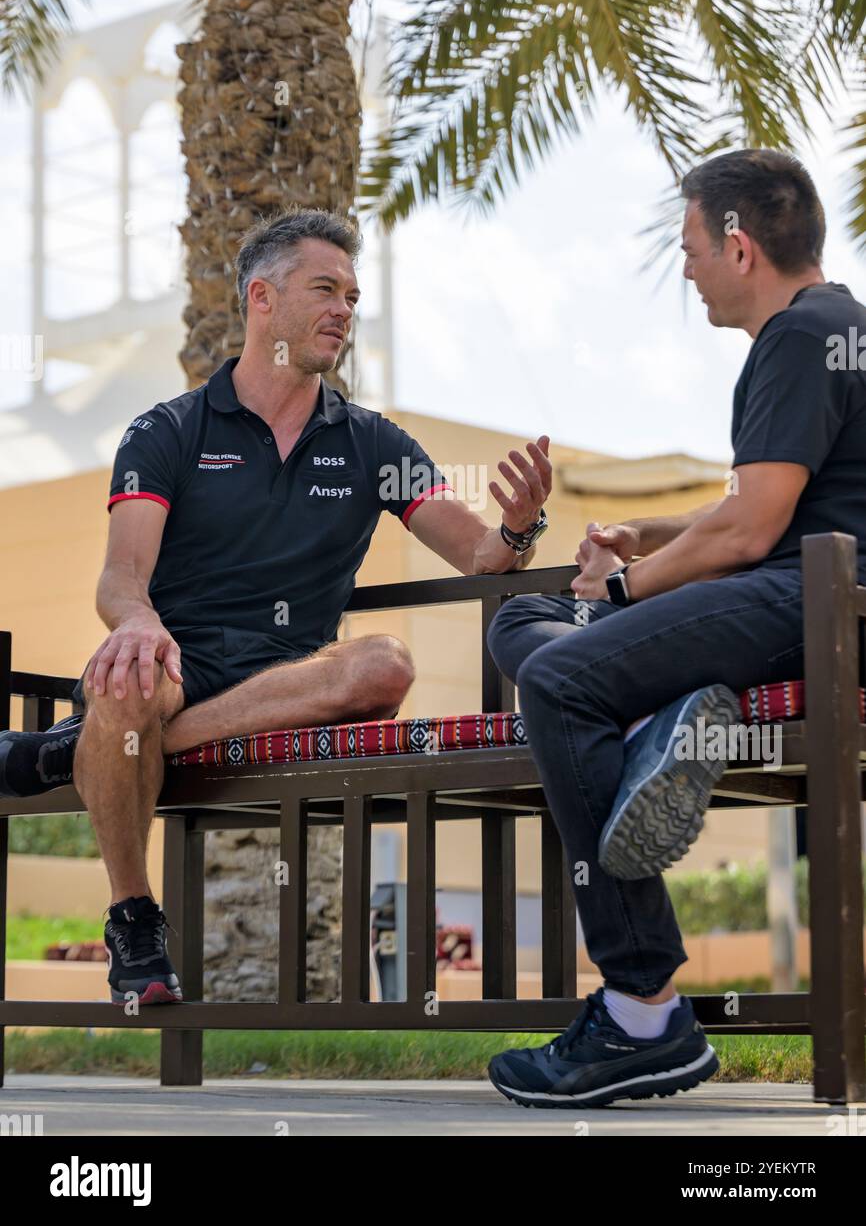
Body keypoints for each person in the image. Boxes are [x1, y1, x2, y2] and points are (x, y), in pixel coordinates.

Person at [0, 209, 552, 1007]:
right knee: (126, 681)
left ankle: (79, 751)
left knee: (384, 662)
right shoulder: (168, 431)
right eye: (325, 289)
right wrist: (141, 622)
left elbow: (479, 557)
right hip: (180, 664)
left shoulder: (374, 445)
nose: (344, 310)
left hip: (296, 680)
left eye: (353, 297)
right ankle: (133, 918)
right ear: (262, 298)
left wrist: (519, 523)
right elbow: (120, 578)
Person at [486, 148, 866, 1109]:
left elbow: (753, 528)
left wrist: (623, 594)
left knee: (560, 680)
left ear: (738, 246)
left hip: (805, 607)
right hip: (802, 596)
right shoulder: (836, 331)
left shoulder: (801, 333)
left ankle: (642, 1007)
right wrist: (650, 535)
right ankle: (657, 725)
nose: (688, 267)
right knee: (528, 617)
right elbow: (765, 498)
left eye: (692, 246)